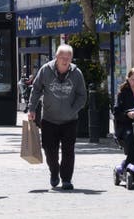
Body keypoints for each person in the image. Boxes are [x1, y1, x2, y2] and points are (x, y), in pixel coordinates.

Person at [28, 44, 87, 191]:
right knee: (49, 150)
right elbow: (36, 90)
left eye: (68, 58)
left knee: (68, 151)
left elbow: (82, 96)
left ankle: (66, 179)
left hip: (70, 120)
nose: (65, 60)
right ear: (56, 57)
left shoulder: (77, 73)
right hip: (49, 119)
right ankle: (54, 172)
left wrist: (73, 110)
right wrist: (31, 109)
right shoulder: (45, 70)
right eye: (62, 57)